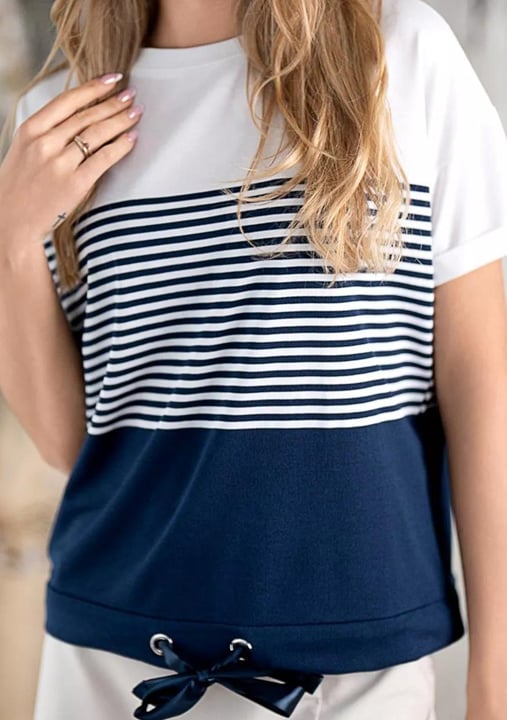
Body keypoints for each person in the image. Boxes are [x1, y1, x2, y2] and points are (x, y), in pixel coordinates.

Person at [0, 0, 506, 718]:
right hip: (106, 665)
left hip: (353, 677)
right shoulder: (61, 122)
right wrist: (11, 239)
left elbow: (480, 383)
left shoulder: (398, 51)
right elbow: (70, 441)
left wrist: (496, 677)